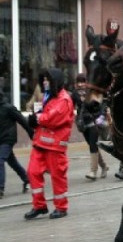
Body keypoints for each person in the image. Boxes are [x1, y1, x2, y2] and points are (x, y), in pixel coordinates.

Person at [24, 67, 74, 220]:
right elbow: (45, 116)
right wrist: (36, 119)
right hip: (41, 142)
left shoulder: (63, 99)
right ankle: (39, 206)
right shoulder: (49, 96)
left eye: (47, 80)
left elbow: (53, 118)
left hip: (55, 144)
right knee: (32, 172)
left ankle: (61, 207)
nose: (44, 82)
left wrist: (37, 119)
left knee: (57, 176)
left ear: (55, 81)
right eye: (43, 79)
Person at [71, 73, 110, 181]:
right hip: (83, 123)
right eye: (78, 82)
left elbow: (102, 104)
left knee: (93, 144)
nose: (80, 84)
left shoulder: (93, 92)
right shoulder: (75, 94)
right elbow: (70, 106)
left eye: (82, 81)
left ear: (86, 82)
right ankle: (104, 166)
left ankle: (93, 171)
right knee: (93, 146)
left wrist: (101, 116)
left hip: (94, 121)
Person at [0, 90, 32, 199]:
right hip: (1, 140)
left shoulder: (8, 108)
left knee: (0, 160)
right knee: (12, 162)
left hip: (8, 139)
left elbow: (22, 120)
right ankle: (26, 179)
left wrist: (32, 133)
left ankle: (0, 188)